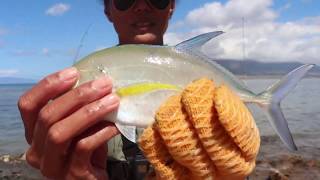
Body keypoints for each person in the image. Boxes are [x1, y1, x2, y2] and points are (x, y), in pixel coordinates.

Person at [17, 0, 176, 179]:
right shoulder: (85, 79)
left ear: (172, 6)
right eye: (125, 1)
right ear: (108, 10)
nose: (142, 6)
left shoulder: (207, 85)